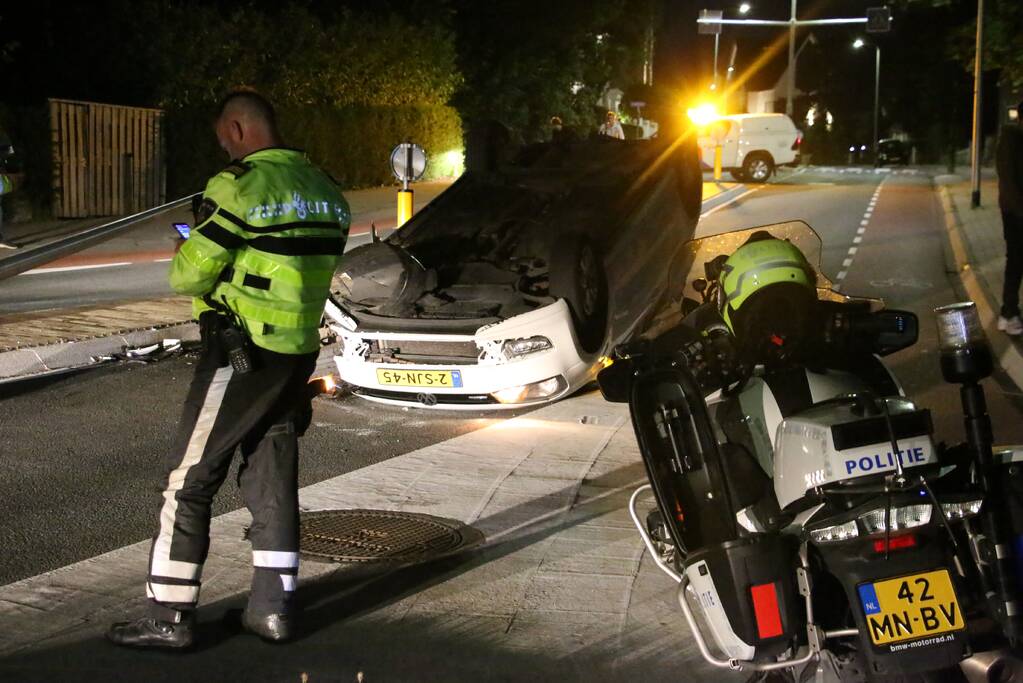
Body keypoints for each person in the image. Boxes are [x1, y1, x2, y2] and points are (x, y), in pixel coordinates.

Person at [107, 90, 350, 648]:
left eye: (222, 138)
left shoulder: (238, 187)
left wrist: (188, 240)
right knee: (272, 476)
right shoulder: (326, 189)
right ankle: (273, 608)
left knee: (187, 481)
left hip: (241, 354)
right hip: (295, 353)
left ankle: (168, 616)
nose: (223, 148)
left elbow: (188, 277)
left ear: (238, 129)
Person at [997, 99, 1023, 336]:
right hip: (1015, 214)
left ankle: (1009, 312)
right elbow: (1009, 182)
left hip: (1014, 211)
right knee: (1016, 261)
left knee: (1016, 262)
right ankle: (1009, 313)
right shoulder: (1011, 141)